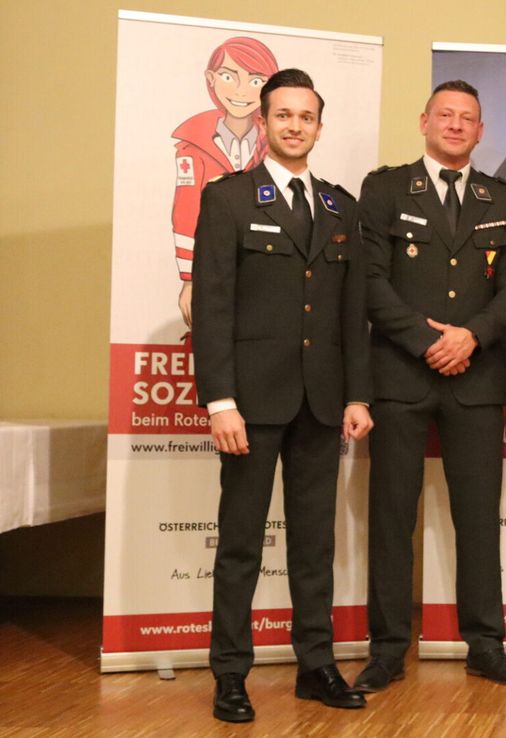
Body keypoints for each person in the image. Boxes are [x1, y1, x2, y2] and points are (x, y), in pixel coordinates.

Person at [192, 68, 373, 723]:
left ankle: (316, 665)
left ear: (319, 126)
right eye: (284, 115)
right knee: (241, 543)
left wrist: (358, 395)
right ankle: (231, 674)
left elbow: (353, 315)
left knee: (314, 544)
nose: (295, 125)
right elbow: (211, 308)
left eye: (307, 116)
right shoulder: (230, 199)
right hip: (251, 404)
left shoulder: (339, 208)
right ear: (264, 123)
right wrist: (219, 401)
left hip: (322, 404)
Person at [355, 80, 506, 691]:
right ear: (424, 120)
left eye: (469, 119)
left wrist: (470, 337)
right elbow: (370, 282)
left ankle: (485, 644)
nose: (456, 126)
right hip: (401, 375)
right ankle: (386, 649)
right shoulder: (383, 190)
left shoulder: (502, 198)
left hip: (476, 377)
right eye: (446, 115)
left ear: (482, 132)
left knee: (479, 518)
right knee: (392, 516)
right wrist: (428, 341)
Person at [174, 37, 279, 327]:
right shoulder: (193, 145)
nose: (241, 90)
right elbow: (185, 212)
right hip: (211, 272)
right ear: (211, 78)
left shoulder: (277, 149)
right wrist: (189, 279)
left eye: (256, 81)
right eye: (228, 76)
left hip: (265, 281)